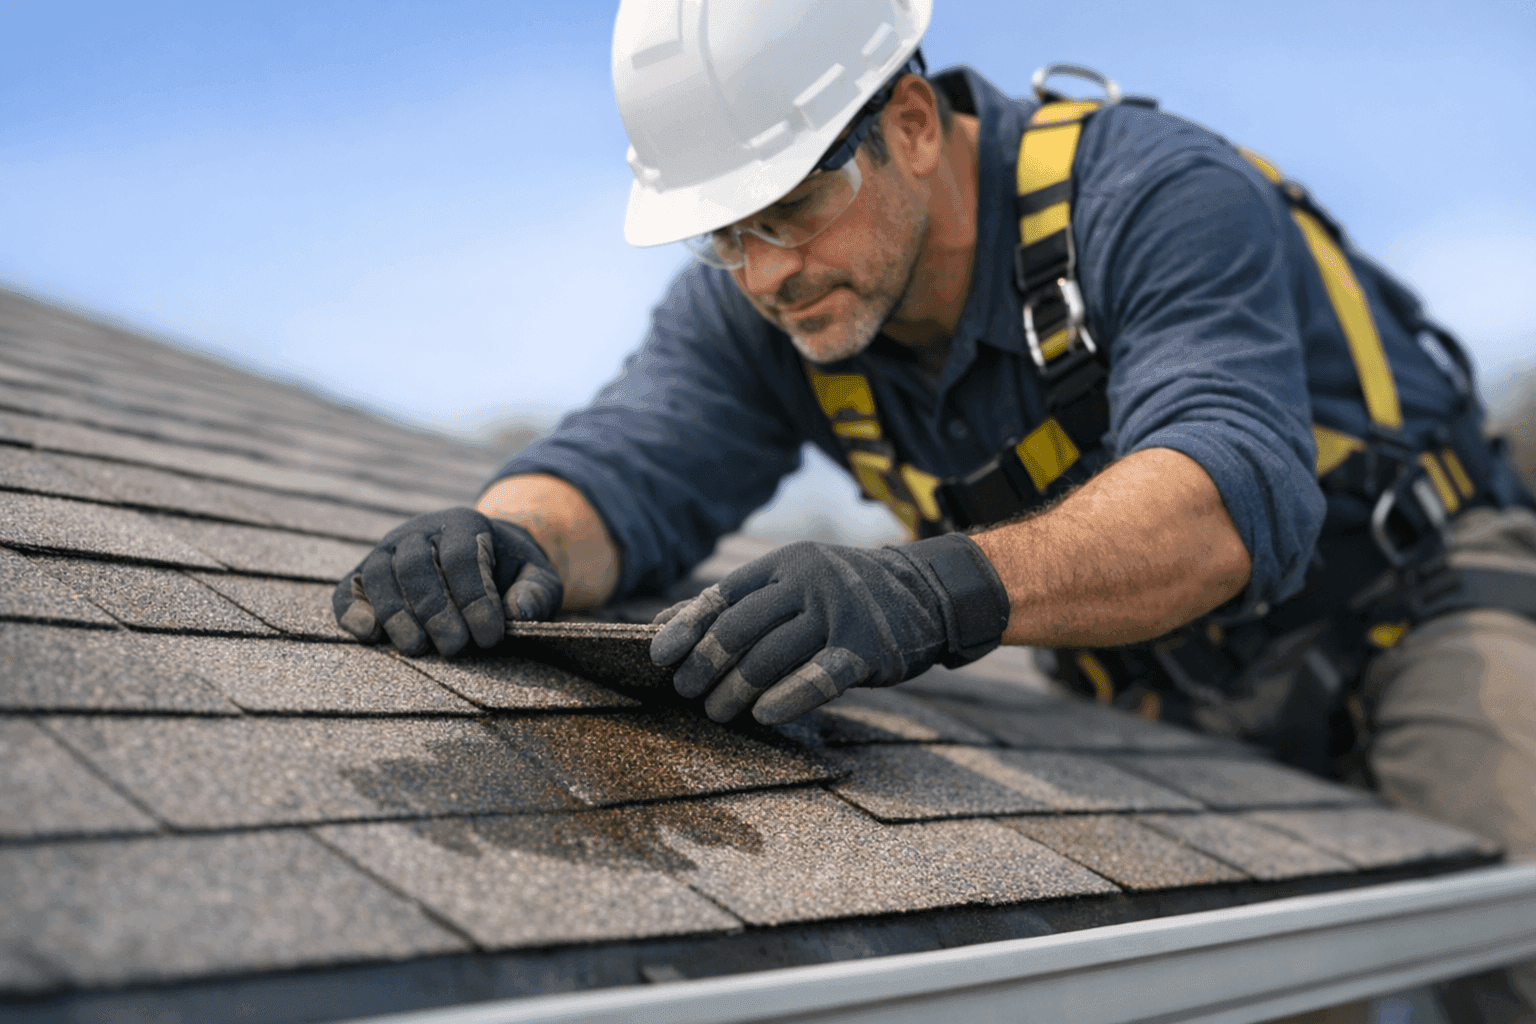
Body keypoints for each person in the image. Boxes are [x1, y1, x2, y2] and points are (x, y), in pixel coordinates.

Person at [333, 1, 1536, 1014]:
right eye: (723, 234)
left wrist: (924, 591)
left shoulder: (1154, 193)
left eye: (793, 204)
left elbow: (1230, 497)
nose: (765, 272)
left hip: (1415, 608)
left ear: (910, 123)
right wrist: (505, 535)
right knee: (1236, 984)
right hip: (1165, 682)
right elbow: (626, 465)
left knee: (1508, 929)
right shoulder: (762, 309)